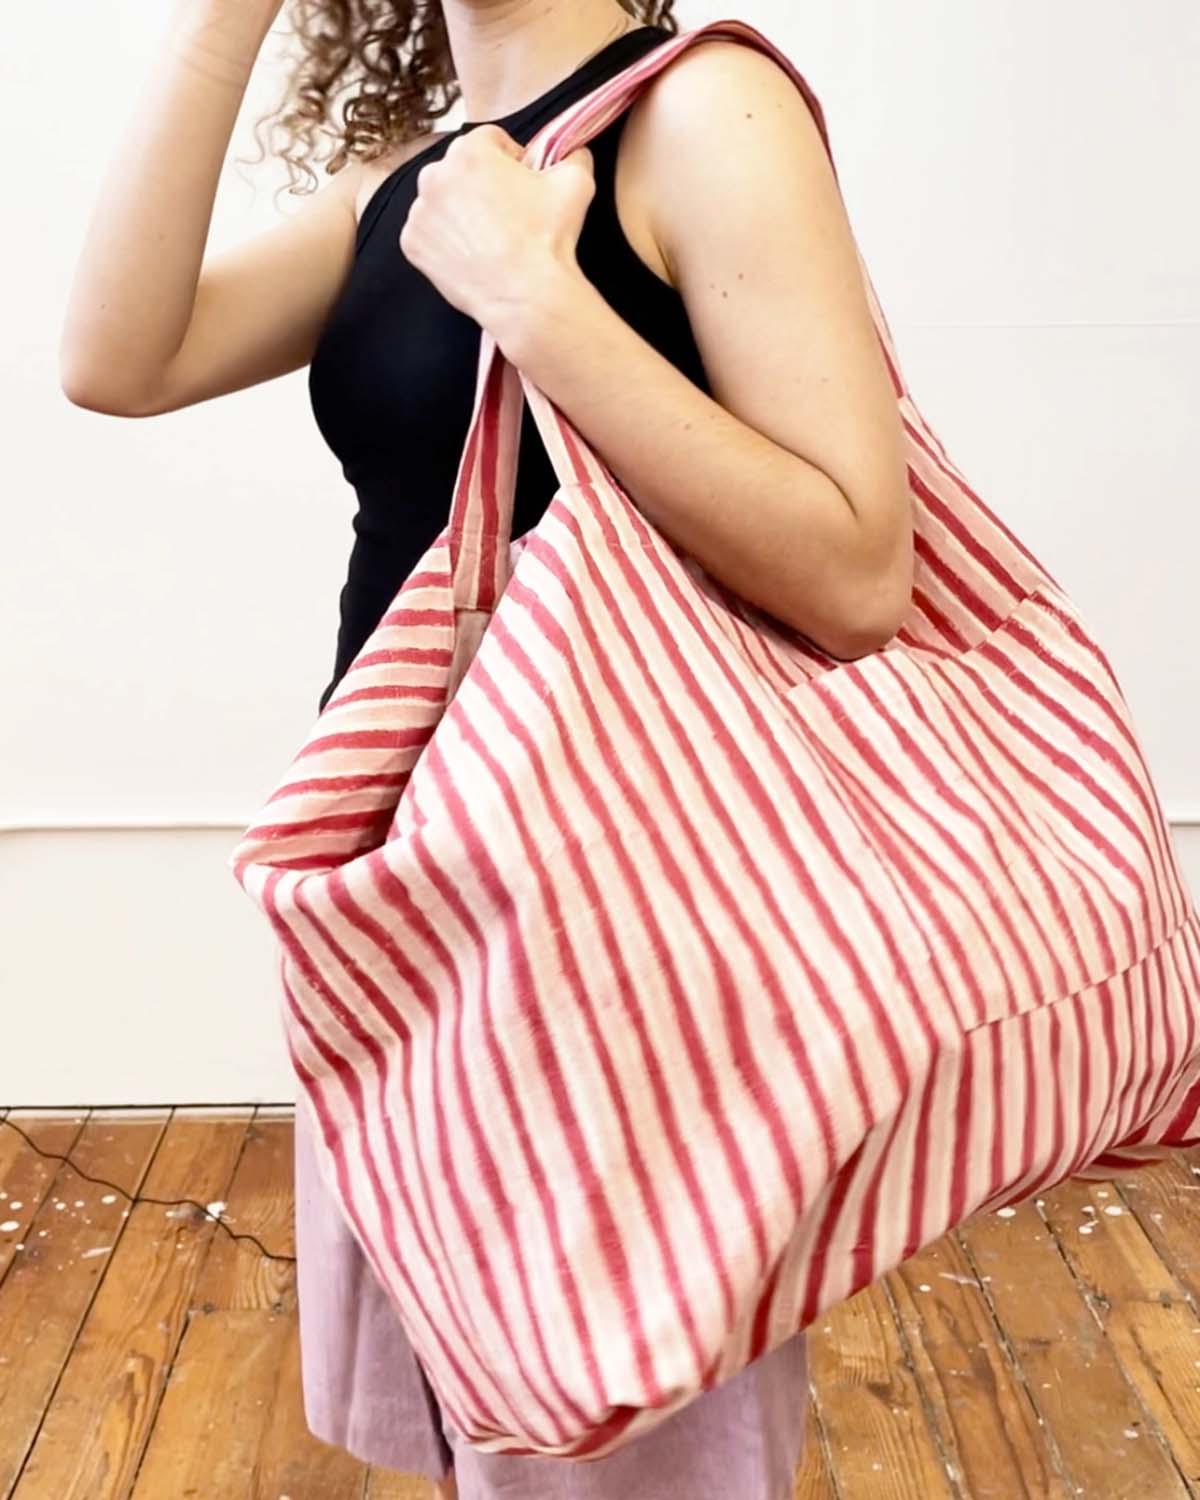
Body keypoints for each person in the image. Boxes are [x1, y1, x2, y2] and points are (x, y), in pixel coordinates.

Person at [60, 1, 915, 1494]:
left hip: (615, 909)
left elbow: (856, 574)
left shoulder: (701, 112)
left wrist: (539, 301)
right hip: (407, 890)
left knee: (619, 1443)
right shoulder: (415, 176)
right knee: (494, 1433)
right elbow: (117, 360)